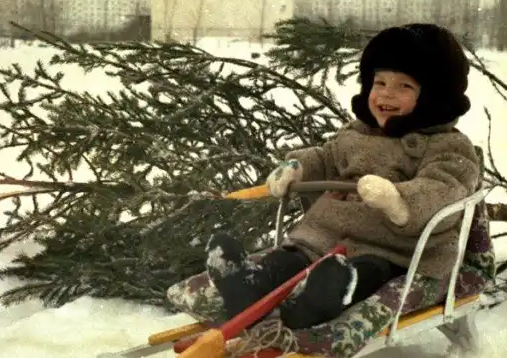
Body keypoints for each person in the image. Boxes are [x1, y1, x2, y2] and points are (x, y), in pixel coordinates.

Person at [205, 23, 480, 330]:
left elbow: (444, 188)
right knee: (291, 258)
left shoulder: (447, 146)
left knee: (363, 271)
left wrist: (397, 199)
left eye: (404, 86)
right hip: (328, 235)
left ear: (433, 98)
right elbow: (327, 157)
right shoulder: (357, 133)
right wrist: (297, 167)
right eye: (379, 82)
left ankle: (325, 297)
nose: (386, 93)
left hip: (394, 247)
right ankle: (249, 286)